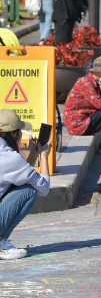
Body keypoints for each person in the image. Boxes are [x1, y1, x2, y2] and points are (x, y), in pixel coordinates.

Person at [0, 111, 51, 260]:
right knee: (29, 191)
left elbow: (19, 174)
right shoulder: (9, 157)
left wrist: (33, 154)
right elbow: (44, 188)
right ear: (15, 134)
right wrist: (43, 155)